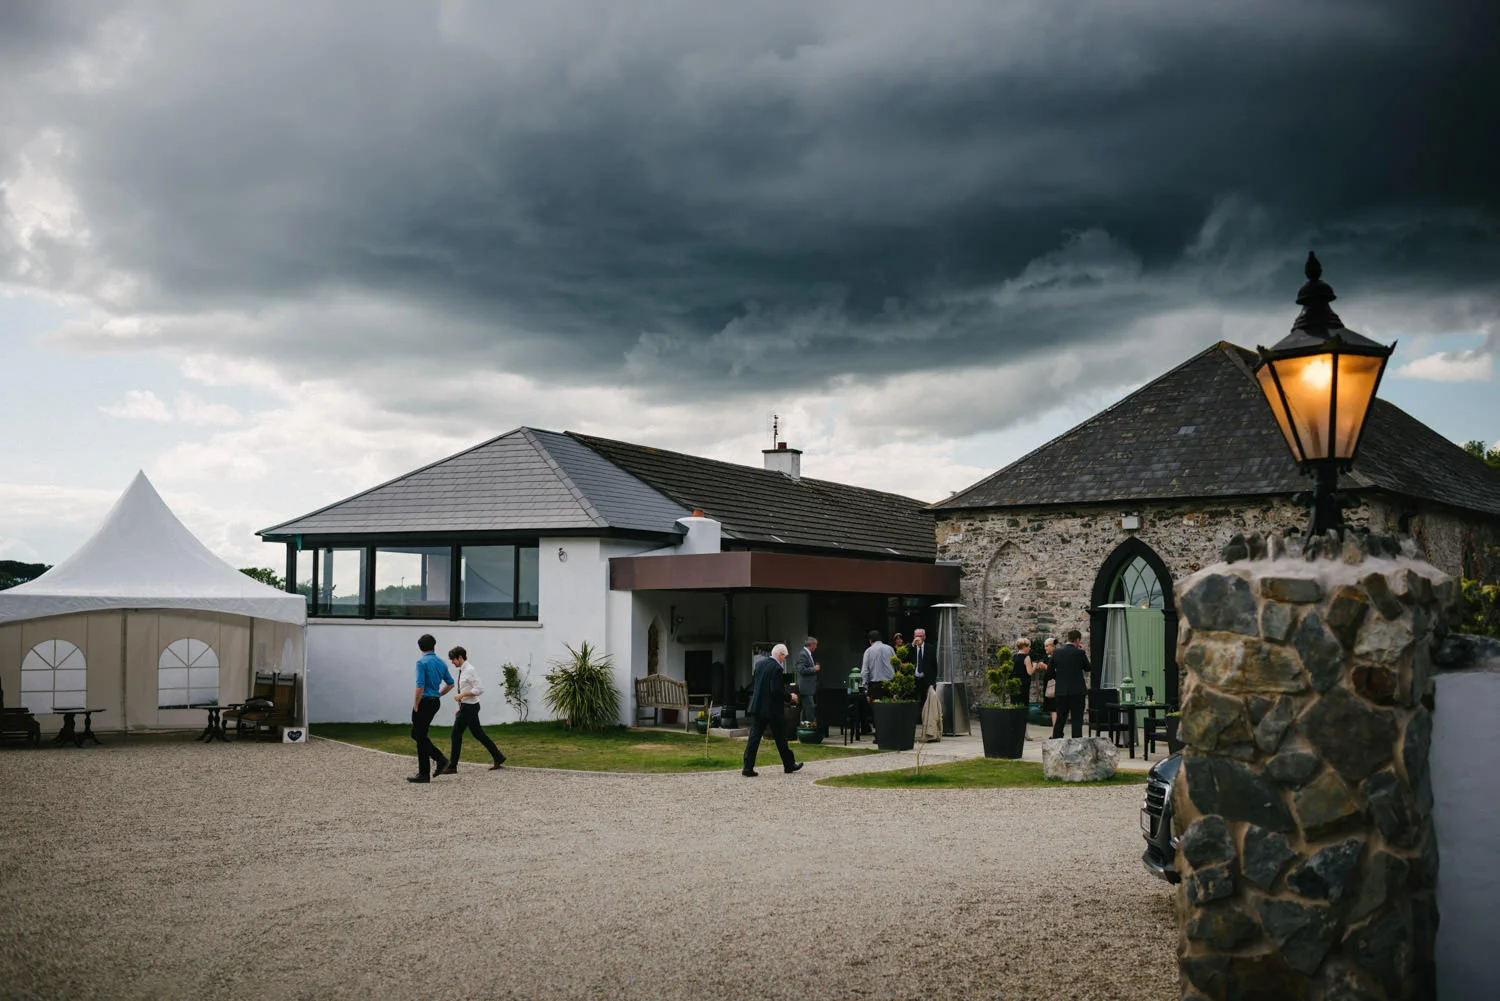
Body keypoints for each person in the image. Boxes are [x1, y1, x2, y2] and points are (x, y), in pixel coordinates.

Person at [439, 646, 506, 773]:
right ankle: (498, 757)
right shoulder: (463, 670)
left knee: (456, 734)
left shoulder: (470, 670)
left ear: (460, 657)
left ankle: (452, 766)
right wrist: (460, 707)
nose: (452, 662)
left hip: (470, 707)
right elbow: (467, 688)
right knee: (478, 733)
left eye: (453, 659)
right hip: (468, 707)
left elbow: (479, 689)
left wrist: (462, 696)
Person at [742, 644, 802, 777]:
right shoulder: (776, 668)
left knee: (754, 738)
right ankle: (789, 764)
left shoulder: (759, 665)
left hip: (758, 706)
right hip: (772, 709)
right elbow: (776, 690)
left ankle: (747, 767)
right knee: (781, 737)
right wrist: (790, 697)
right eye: (784, 657)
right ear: (780, 654)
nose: (783, 660)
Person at [408, 633, 454, 783]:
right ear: (434, 646)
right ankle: (426, 771)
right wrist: (439, 694)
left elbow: (420, 685)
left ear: (420, 647)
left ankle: (438, 761)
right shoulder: (441, 662)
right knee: (419, 735)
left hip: (424, 701)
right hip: (435, 702)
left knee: (418, 735)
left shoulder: (421, 662)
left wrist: (416, 703)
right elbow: (451, 683)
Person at [1050, 629, 1092, 739]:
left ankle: (1056, 742)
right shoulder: (1079, 653)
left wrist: (1060, 679)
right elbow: (1088, 668)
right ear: (1077, 640)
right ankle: (1076, 743)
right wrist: (1084, 652)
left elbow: (1049, 672)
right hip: (1077, 691)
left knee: (1060, 719)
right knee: (1077, 720)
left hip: (1061, 691)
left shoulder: (1056, 652)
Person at [860, 630, 897, 737]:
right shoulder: (890, 649)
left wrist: (865, 688)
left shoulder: (869, 651)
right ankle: (890, 733)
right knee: (889, 709)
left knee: (877, 711)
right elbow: (896, 665)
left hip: (875, 685)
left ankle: (880, 735)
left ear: (870, 640)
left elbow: (865, 671)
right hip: (890, 683)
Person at [794, 636, 820, 725]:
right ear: (812, 644)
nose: (816, 647)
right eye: (816, 645)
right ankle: (810, 728)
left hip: (809, 688)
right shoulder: (803, 654)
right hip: (805, 688)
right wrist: (814, 669)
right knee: (809, 709)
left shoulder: (807, 654)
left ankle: (807, 727)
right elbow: (801, 670)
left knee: (808, 709)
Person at [911, 627, 937, 707]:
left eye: (921, 636)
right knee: (913, 700)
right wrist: (912, 644)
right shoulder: (911, 647)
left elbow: (934, 665)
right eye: (917, 636)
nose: (918, 638)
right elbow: (905, 657)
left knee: (925, 702)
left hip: (926, 679)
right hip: (914, 678)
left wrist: (933, 682)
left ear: (924, 637)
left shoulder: (930, 648)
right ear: (914, 637)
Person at [1037, 636, 1058, 726]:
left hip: (1053, 686)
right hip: (1048, 685)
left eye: (1047, 646)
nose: (1045, 648)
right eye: (1045, 646)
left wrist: (1045, 667)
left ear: (1053, 646)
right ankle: (1055, 732)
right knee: (1051, 710)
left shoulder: (1057, 656)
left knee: (1054, 709)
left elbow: (1056, 671)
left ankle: (1055, 733)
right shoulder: (1047, 656)